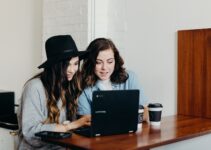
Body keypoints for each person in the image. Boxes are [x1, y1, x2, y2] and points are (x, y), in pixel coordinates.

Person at [17, 35, 91, 149]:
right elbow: (30, 132)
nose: (72, 70)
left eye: (76, 64)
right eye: (67, 65)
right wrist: (69, 126)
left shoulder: (69, 85)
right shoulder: (34, 87)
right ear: (55, 65)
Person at [77, 38, 148, 120]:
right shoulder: (82, 86)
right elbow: (85, 120)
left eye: (110, 62)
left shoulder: (130, 77)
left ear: (115, 61)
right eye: (98, 62)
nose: (104, 67)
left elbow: (145, 112)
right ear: (90, 63)